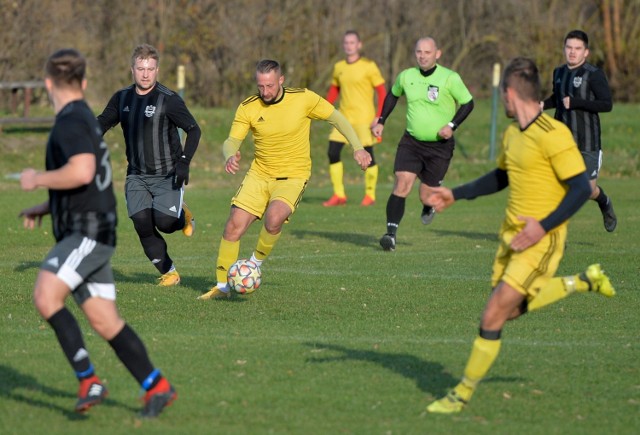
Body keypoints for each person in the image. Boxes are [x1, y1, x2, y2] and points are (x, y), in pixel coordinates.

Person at [425, 57, 615, 414]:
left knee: (492, 314)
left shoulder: (554, 134)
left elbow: (579, 189)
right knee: (508, 313)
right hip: (511, 237)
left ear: (511, 94)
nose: (503, 102)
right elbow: (502, 176)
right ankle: (582, 281)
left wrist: (542, 226)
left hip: (542, 239)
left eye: (502, 96)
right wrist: (456, 193)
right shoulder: (513, 134)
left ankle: (460, 395)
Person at [19, 49, 176, 417]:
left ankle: (88, 379)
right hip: (98, 230)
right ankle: (158, 386)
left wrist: (36, 180)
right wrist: (48, 206)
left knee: (45, 295)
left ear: (47, 84)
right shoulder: (84, 117)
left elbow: (84, 171)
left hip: (86, 233)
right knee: (106, 321)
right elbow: (91, 180)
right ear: (85, 83)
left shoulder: (69, 121)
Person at [198, 59, 371, 300]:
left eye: (269, 86)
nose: (265, 92)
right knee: (233, 226)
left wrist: (358, 147)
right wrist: (229, 155)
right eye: (260, 86)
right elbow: (232, 140)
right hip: (259, 175)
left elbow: (337, 118)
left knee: (274, 218)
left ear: (281, 80)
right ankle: (221, 286)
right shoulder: (248, 107)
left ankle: (255, 263)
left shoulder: (303, 98)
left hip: (293, 175)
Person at [97, 44, 201, 286]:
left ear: (157, 70)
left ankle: (183, 215)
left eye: (150, 69)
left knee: (164, 223)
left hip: (168, 175)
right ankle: (169, 272)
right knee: (142, 223)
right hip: (136, 175)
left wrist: (184, 162)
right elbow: (102, 123)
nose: (145, 74)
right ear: (132, 69)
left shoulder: (169, 100)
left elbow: (194, 130)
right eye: (141, 68)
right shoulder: (121, 98)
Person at [373, 37, 474, 251]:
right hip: (411, 143)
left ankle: (429, 205)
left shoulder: (450, 78)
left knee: (426, 195)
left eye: (427, 52)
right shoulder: (406, 76)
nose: (422, 55)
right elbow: (392, 95)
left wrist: (452, 125)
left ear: (438, 53)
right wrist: (381, 120)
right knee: (402, 184)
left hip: (439, 147)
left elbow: (468, 103)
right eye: (419, 51)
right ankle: (390, 235)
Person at [542, 29, 616, 232]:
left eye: (577, 48)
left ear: (586, 52)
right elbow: (557, 99)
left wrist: (577, 102)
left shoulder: (594, 74)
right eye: (569, 47)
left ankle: (605, 202)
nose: (572, 52)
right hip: (563, 143)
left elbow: (606, 104)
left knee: (588, 190)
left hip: (588, 142)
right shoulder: (558, 72)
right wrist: (541, 105)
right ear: (564, 49)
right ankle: (556, 234)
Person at [322, 30, 386, 207]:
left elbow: (382, 92)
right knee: (332, 152)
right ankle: (339, 195)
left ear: (359, 45)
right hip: (343, 118)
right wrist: (324, 107)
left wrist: (379, 116)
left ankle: (370, 195)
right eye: (346, 43)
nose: (349, 46)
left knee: (368, 155)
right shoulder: (339, 67)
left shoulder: (369, 66)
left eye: (352, 43)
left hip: (364, 119)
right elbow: (334, 90)